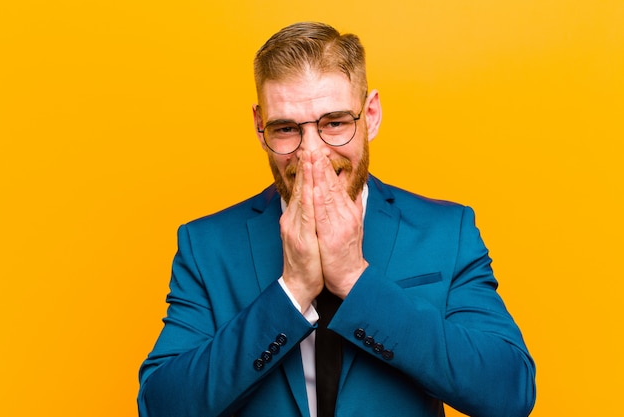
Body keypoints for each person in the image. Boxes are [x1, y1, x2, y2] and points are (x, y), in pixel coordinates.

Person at [138, 22, 536, 417]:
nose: (312, 154)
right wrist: (291, 292)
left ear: (372, 115)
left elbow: (509, 392)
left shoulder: (447, 232)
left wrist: (355, 281)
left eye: (334, 123)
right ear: (260, 128)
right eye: (286, 129)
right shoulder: (206, 246)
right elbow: (160, 405)